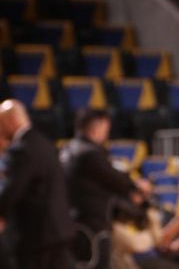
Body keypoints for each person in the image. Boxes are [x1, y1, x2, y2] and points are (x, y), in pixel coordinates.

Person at [61, 108, 152, 269]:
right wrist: (137, 186)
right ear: (97, 127)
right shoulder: (89, 154)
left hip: (74, 221)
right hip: (92, 225)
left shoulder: (67, 150)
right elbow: (116, 180)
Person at [0, 99, 75, 269]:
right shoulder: (43, 142)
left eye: (1, 123)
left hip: (38, 234)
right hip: (58, 229)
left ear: (11, 121)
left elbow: (12, 189)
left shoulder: (22, 149)